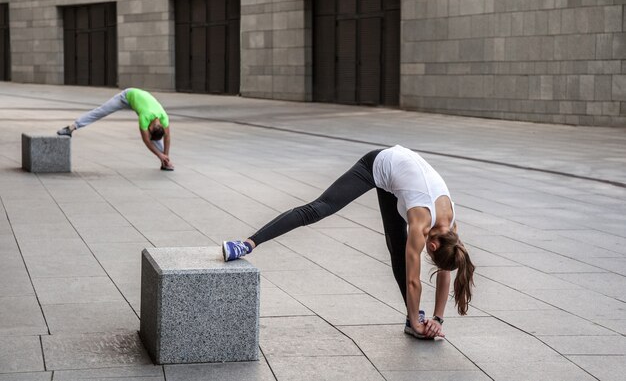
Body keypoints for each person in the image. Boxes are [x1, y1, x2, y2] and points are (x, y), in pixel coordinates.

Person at [223, 145, 474, 339]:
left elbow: (446, 270)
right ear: (432, 245)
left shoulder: (450, 231)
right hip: (378, 164)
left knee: (397, 249)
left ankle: (412, 319)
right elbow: (412, 280)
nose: (429, 258)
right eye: (430, 257)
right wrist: (422, 324)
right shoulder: (422, 222)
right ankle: (248, 243)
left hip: (401, 180)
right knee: (319, 208)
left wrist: (437, 319)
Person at [57, 88, 174, 171]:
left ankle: (165, 163)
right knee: (101, 111)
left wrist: (165, 155)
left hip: (141, 99)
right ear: (151, 127)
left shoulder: (164, 118)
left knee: (157, 141)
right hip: (126, 96)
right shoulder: (145, 116)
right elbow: (146, 140)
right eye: (149, 132)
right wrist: (159, 155)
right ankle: (71, 128)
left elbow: (167, 138)